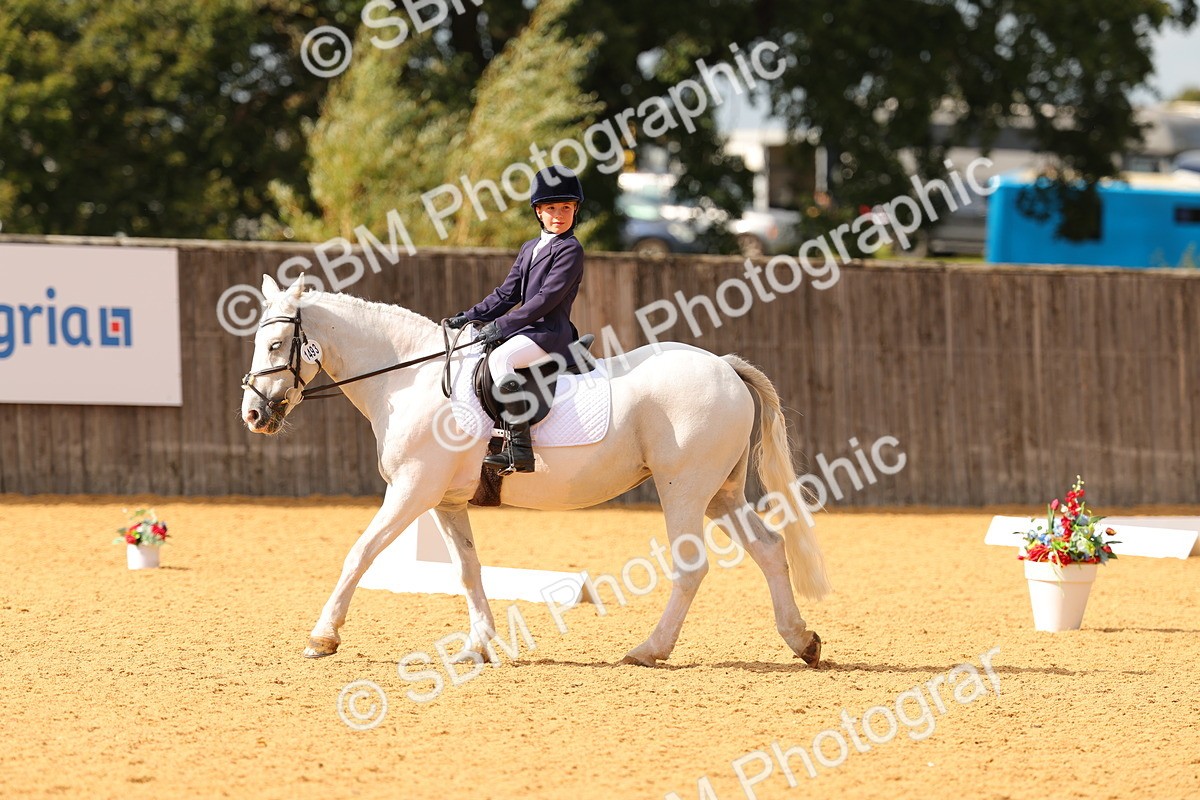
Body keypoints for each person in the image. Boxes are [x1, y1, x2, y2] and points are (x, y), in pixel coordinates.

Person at [445, 165, 586, 473]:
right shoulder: (530, 248)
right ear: (538, 211)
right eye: (551, 208)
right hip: (527, 331)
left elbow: (545, 300)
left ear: (575, 209)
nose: (559, 215)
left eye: (566, 208)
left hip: (549, 333)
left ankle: (521, 448)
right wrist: (468, 318)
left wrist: (502, 326)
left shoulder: (570, 249)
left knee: (500, 360)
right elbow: (507, 294)